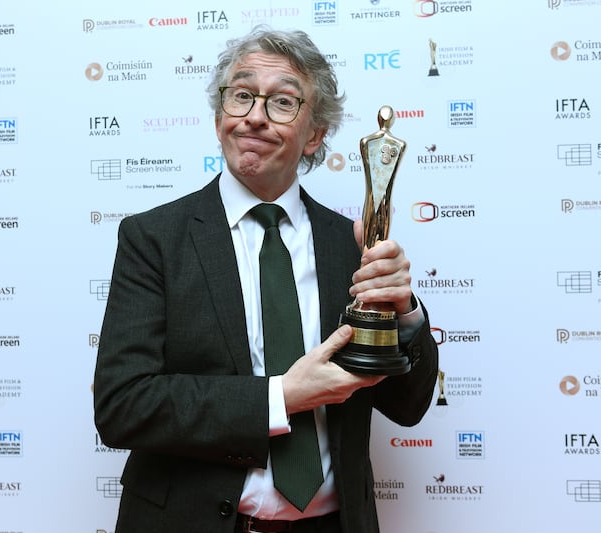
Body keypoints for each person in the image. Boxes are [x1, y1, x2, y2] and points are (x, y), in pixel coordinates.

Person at [94, 26, 439, 533]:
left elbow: (407, 406)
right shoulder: (154, 238)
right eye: (241, 96)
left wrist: (403, 307)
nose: (254, 116)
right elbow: (123, 407)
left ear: (315, 134)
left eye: (281, 102)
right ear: (219, 118)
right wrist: (280, 397)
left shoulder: (352, 244)